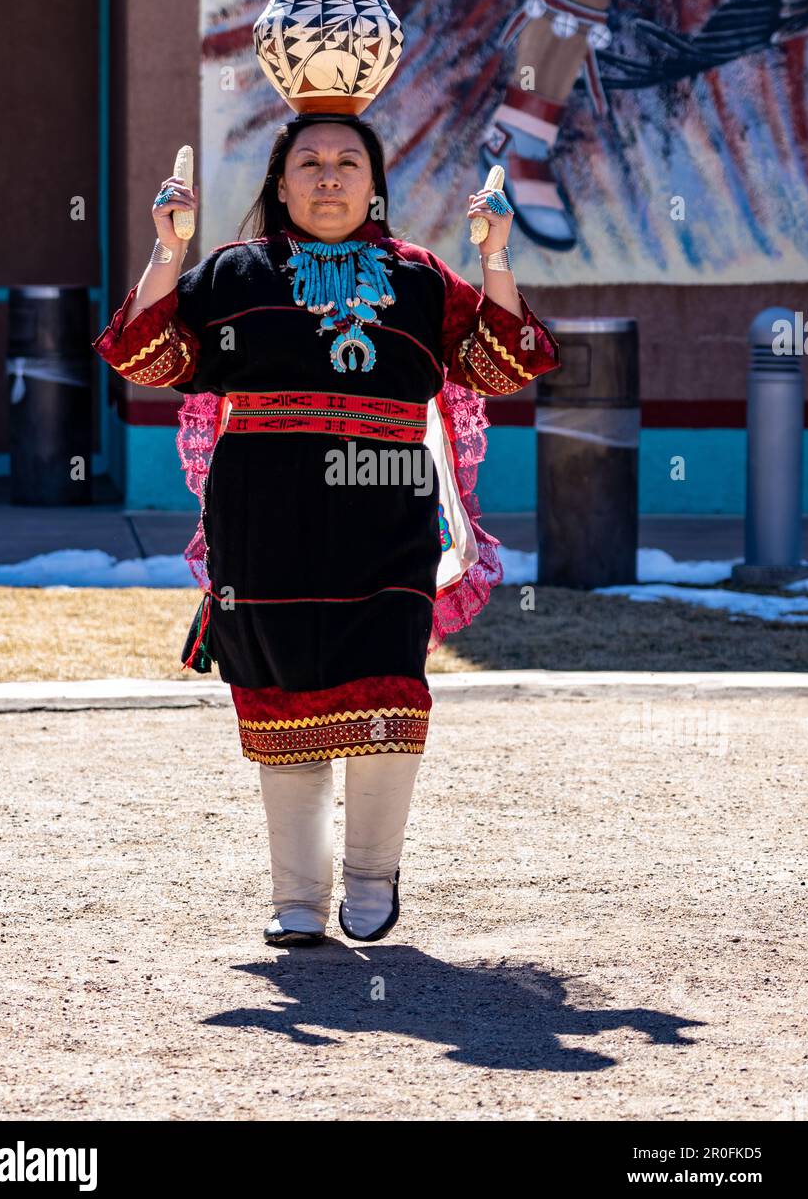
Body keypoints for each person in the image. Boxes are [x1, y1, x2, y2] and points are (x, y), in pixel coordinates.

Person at [92, 112, 560, 947]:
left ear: (376, 184)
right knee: (282, 697)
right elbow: (142, 355)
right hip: (261, 526)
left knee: (388, 685)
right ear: (279, 184)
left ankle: (374, 879)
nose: (330, 176)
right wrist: (169, 246)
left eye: (349, 162)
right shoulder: (233, 274)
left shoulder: (419, 277)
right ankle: (298, 899)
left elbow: (505, 362)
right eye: (309, 163)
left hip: (388, 519)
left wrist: (493, 256)